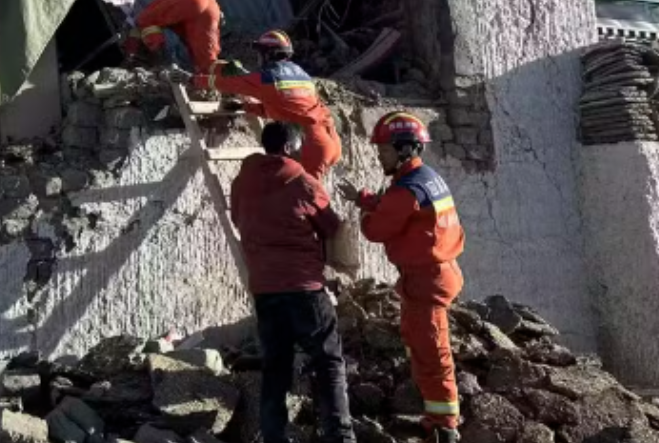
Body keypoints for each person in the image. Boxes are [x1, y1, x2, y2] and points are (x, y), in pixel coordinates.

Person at [339, 112, 466, 443]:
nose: (379, 156)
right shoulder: (424, 178)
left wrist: (365, 212)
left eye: (384, 151)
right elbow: (398, 205)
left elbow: (378, 228)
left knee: (432, 350)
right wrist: (365, 198)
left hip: (428, 279)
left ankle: (445, 426)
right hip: (435, 273)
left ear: (405, 149)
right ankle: (435, 416)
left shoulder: (406, 190)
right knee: (419, 340)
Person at [231, 122, 356, 443]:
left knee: (275, 368)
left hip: (265, 290)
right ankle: (339, 437)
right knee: (328, 363)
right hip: (305, 289)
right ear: (288, 148)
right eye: (299, 148)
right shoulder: (304, 183)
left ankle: (273, 436)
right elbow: (331, 226)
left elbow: (237, 218)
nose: (302, 154)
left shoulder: (242, 181)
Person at [192, 29, 341, 180]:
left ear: (268, 54)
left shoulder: (269, 78)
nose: (258, 58)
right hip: (331, 139)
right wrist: (245, 107)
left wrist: (194, 80)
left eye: (260, 53)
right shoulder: (302, 75)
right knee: (303, 196)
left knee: (303, 199)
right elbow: (285, 109)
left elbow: (230, 83)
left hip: (312, 146)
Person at [122, 0, 222, 73]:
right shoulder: (205, 21)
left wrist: (131, 52)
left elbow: (140, 24)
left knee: (145, 22)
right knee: (207, 61)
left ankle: (159, 60)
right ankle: (229, 78)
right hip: (209, 6)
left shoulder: (150, 14)